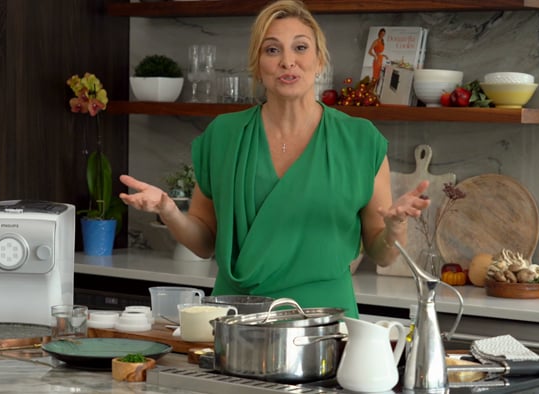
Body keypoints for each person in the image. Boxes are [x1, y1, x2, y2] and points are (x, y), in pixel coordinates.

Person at [119, 0, 430, 319]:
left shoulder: (360, 141)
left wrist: (395, 227)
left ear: (320, 60)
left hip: (323, 323)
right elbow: (204, 243)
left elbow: (383, 255)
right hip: (236, 321)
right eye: (272, 50)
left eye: (300, 47)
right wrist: (169, 210)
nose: (287, 61)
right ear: (257, 64)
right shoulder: (224, 135)